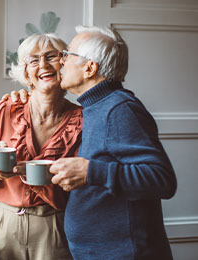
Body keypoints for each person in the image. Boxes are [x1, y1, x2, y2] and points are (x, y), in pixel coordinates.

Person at [47, 26, 177, 259]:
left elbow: (162, 180)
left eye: (67, 55)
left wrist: (90, 172)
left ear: (90, 67)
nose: (61, 62)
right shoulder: (95, 106)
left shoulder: (120, 109)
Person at [0, 33, 82, 260]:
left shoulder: (81, 120)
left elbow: (83, 188)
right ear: (27, 74)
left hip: (55, 226)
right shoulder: (6, 108)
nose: (43, 65)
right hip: (3, 224)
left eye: (51, 56)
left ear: (64, 63)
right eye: (33, 60)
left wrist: (48, 180)